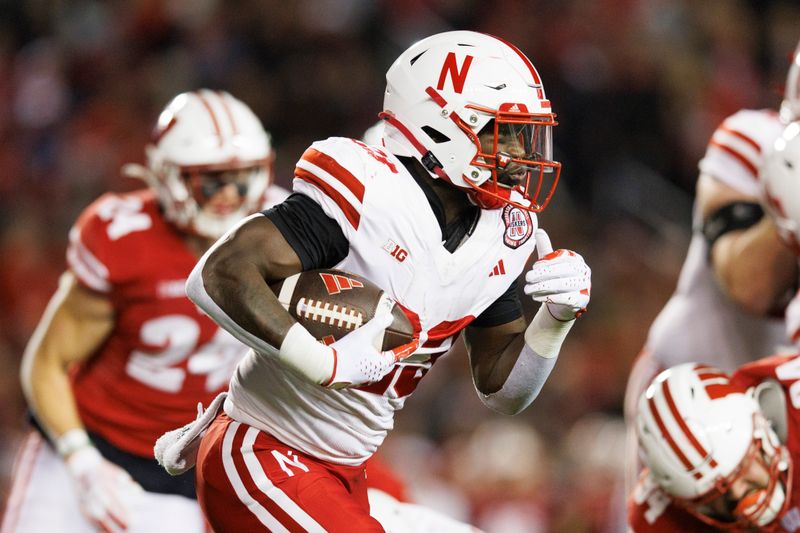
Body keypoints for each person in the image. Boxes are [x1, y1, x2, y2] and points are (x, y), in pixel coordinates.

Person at [157, 30, 592, 532]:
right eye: (504, 131)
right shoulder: (371, 192)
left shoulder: (502, 233)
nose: (519, 152)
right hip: (266, 450)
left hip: (345, 470)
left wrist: (555, 321)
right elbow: (218, 274)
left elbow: (502, 391)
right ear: (444, 126)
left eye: (523, 134)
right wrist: (319, 360)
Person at [1, 89, 288, 533]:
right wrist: (81, 462)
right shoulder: (123, 237)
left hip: (184, 468)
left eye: (246, 177)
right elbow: (48, 362)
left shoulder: (286, 234)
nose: (231, 195)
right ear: (168, 176)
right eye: (213, 179)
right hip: (89, 444)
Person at [623, 39, 800, 490]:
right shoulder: (751, 140)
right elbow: (748, 284)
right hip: (692, 402)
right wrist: (790, 214)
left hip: (785, 415)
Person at [628, 359, 798, 531]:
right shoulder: (656, 516)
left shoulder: (794, 403)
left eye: (740, 470)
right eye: (712, 497)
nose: (738, 494)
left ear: (762, 430)